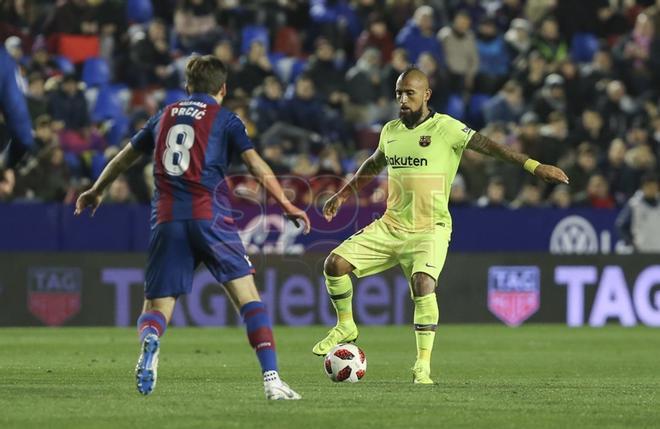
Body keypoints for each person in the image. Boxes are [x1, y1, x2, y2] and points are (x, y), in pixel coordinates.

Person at [75, 55, 310, 400]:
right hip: (211, 217)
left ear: (187, 87)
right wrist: (286, 203)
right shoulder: (226, 119)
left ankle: (151, 341)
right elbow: (255, 163)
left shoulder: (163, 115)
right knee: (249, 300)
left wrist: (97, 190)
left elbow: (124, 157)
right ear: (223, 89)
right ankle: (272, 380)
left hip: (167, 219)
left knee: (156, 309)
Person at [313, 67, 569, 384]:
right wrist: (343, 193)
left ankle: (422, 365)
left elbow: (492, 146)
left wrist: (534, 166)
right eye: (398, 93)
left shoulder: (446, 128)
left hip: (430, 228)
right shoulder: (390, 130)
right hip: (391, 225)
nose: (403, 99)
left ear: (426, 95)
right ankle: (346, 325)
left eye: (410, 93)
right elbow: (374, 163)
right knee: (334, 264)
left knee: (423, 283)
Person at [615, 172, 660, 253]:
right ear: (643, 187)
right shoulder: (634, 204)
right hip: (641, 250)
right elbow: (621, 225)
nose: (652, 189)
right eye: (649, 187)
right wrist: (631, 243)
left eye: (654, 187)